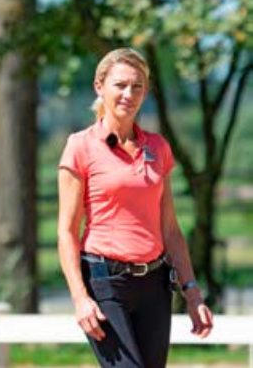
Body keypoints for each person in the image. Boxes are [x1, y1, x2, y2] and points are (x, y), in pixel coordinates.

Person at [57, 48, 213, 367]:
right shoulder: (80, 146)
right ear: (99, 86)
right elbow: (67, 232)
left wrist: (192, 293)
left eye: (137, 86)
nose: (129, 94)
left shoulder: (158, 147)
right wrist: (80, 298)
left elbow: (170, 228)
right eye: (120, 85)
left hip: (155, 285)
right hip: (105, 281)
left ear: (146, 91)